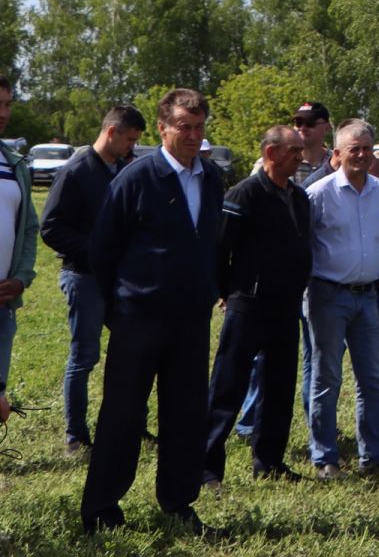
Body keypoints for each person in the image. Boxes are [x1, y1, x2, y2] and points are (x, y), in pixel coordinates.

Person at [81, 88, 225, 537]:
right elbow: (103, 250)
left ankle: (178, 502)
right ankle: (102, 507)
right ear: (163, 128)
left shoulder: (212, 178)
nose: (193, 135)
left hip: (190, 321)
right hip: (138, 319)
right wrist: (121, 306)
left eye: (199, 127)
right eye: (184, 126)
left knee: (185, 416)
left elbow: (212, 243)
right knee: (123, 415)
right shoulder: (136, 178)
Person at [203, 125, 312, 483]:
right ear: (270, 153)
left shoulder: (298, 196)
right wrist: (227, 291)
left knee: (279, 387)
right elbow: (220, 248)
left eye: (300, 150)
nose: (300, 156)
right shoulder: (244, 194)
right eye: (293, 150)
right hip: (248, 304)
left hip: (286, 305)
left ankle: (269, 463)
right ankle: (206, 466)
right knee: (227, 387)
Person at [41, 104, 143, 455]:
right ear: (111, 132)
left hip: (121, 281)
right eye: (129, 140)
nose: (132, 147)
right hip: (84, 277)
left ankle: (132, 426)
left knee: (134, 353)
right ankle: (76, 436)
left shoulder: (124, 168)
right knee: (84, 357)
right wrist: (97, 251)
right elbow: (51, 228)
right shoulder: (76, 171)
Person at [303, 121, 379, 478]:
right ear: (337, 154)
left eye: (366, 148)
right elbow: (305, 244)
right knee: (327, 378)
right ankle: (325, 457)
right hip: (328, 295)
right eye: (352, 149)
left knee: (374, 378)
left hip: (369, 295)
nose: (360, 155)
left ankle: (372, 456)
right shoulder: (319, 193)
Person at [0, 79, 38, 430]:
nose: (3, 113)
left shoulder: (14, 164)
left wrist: (21, 278)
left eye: (8, 104)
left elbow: (28, 228)